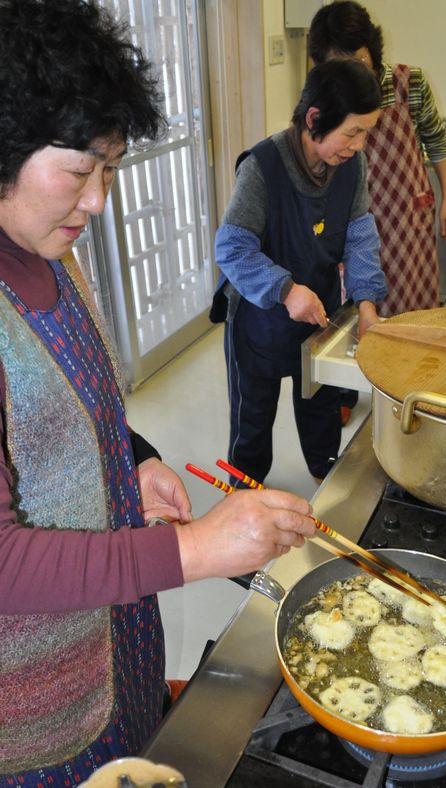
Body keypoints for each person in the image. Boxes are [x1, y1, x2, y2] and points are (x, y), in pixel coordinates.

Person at [0, 1, 315, 783]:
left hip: (118, 635)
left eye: (109, 169)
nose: (99, 200)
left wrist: (132, 460)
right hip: (35, 707)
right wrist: (199, 549)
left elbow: (76, 400)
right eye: (79, 171)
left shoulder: (50, 250)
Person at [212, 59, 387, 487]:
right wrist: (286, 290)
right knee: (253, 418)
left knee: (321, 405)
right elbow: (231, 248)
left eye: (366, 132)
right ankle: (244, 493)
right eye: (352, 132)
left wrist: (366, 306)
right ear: (314, 118)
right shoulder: (262, 168)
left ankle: (325, 477)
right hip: (259, 320)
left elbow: (361, 237)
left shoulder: (352, 166)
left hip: (319, 315)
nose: (360, 145)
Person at [309, 0, 446, 318]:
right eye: (340, 66)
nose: (353, 75)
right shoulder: (323, 97)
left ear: (373, 52)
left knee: (413, 316)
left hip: (407, 223)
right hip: (354, 222)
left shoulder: (411, 83)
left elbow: (437, 142)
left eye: (360, 62)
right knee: (359, 311)